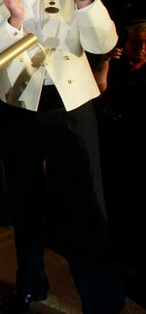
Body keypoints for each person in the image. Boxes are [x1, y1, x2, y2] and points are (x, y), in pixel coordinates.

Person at [0, 0, 125, 314]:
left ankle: (102, 300)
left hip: (71, 109)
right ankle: (30, 285)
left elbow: (102, 43)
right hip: (17, 111)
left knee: (86, 204)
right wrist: (15, 17)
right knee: (24, 204)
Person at [93, 18, 146, 281]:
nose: (142, 48)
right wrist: (105, 62)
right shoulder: (117, 68)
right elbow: (97, 91)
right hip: (113, 145)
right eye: (137, 42)